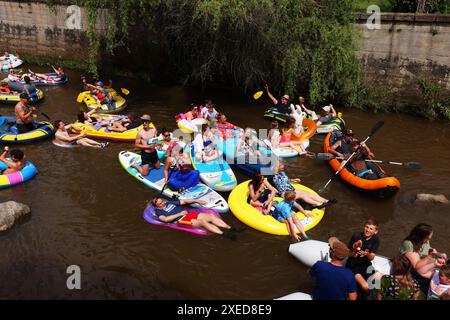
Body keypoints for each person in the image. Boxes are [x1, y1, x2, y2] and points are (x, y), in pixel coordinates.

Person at [399, 223, 447, 295]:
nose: (428, 240)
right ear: (421, 236)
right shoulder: (408, 244)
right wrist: (430, 256)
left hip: (428, 269)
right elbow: (416, 266)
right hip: (413, 273)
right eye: (427, 238)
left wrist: (439, 254)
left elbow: (427, 251)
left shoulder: (425, 241)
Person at [270, 159, 335, 207]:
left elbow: (284, 180)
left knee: (306, 192)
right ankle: (319, 204)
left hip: (290, 189)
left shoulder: (282, 172)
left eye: (283, 167)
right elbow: (278, 182)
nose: (283, 169)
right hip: (284, 193)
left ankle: (325, 200)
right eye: (281, 167)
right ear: (276, 167)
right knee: (302, 195)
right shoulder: (273, 175)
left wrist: (292, 180)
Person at [151, 197, 231, 235]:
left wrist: (197, 200)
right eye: (160, 203)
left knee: (210, 217)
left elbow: (184, 201)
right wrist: (180, 214)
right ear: (156, 206)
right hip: (180, 220)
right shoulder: (158, 212)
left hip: (187, 214)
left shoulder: (168, 203)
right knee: (202, 222)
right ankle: (223, 234)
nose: (163, 203)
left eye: (162, 201)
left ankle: (229, 228)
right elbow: (165, 219)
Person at [346, 218, 380, 297]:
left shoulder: (376, 239)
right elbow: (348, 254)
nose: (367, 230)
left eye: (371, 229)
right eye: (366, 227)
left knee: (378, 280)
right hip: (353, 265)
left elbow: (371, 257)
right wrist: (354, 251)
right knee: (365, 286)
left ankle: (369, 295)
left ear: (375, 231)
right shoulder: (356, 236)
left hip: (365, 264)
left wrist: (366, 254)